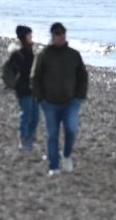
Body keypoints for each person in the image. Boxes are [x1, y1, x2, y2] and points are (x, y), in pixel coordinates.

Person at [31, 22, 88, 175]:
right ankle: (54, 167)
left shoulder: (74, 55)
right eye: (57, 34)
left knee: (71, 130)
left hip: (70, 102)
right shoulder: (44, 55)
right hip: (49, 103)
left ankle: (67, 154)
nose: (60, 36)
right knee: (52, 135)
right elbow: (35, 78)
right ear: (52, 36)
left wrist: (79, 96)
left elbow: (83, 76)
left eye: (62, 33)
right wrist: (40, 98)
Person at [2, 25, 39, 152]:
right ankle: (24, 139)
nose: (31, 37)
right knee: (26, 115)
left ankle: (30, 137)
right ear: (24, 37)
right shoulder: (19, 54)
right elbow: (14, 71)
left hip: (33, 88)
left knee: (35, 115)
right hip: (23, 88)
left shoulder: (29, 50)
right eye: (30, 35)